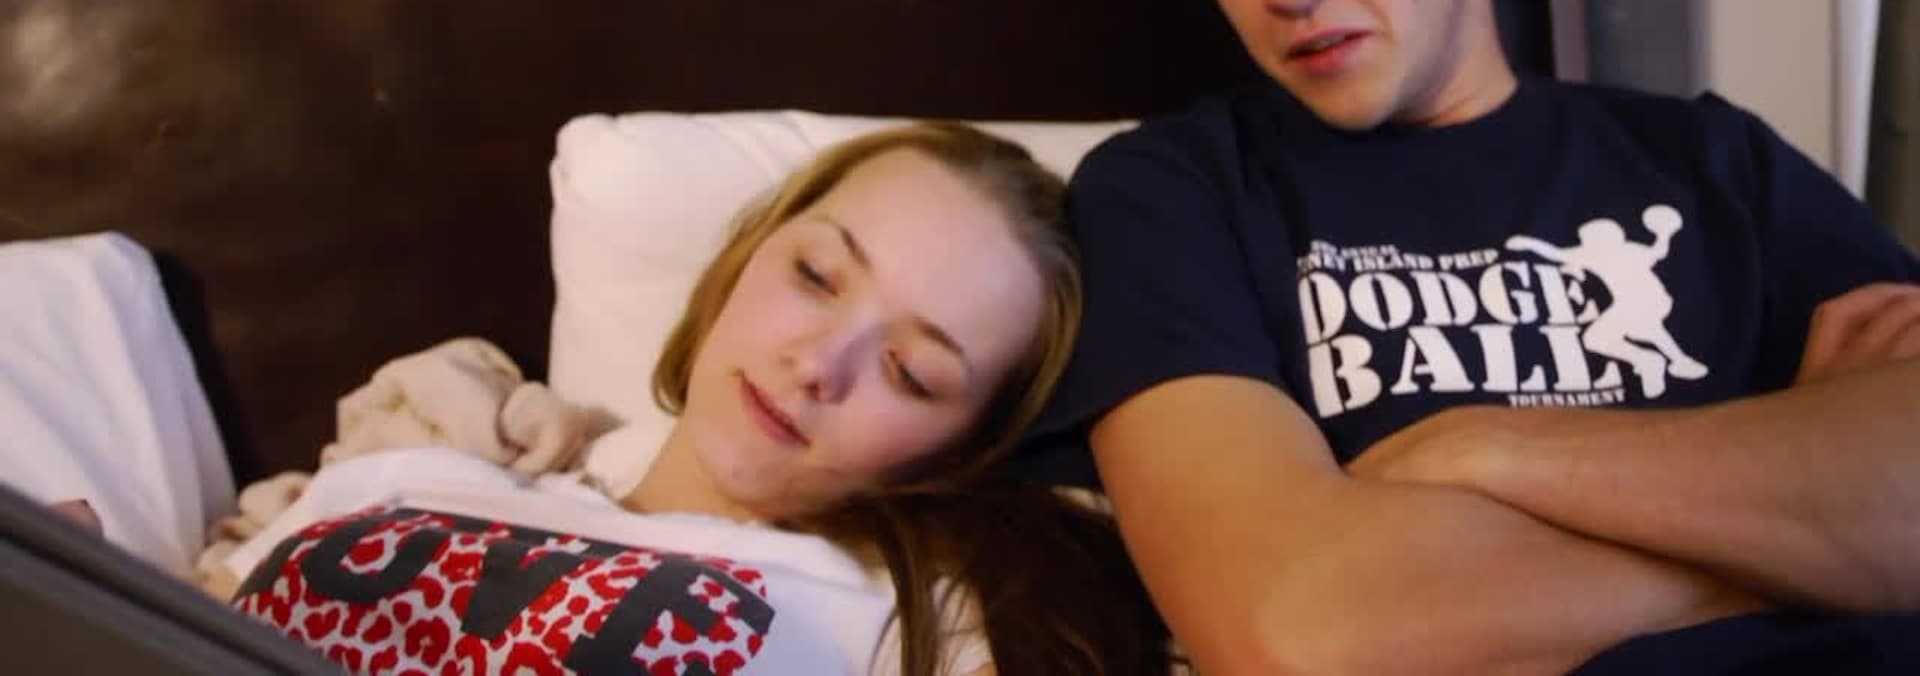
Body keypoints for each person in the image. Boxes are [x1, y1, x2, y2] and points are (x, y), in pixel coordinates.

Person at [1013, 0, 1920, 673]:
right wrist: (1811, 536)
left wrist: (1485, 448)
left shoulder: (1718, 160)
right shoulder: (1170, 191)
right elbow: (1303, 640)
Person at [224, 123, 1170, 675]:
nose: (818, 363)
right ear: (749, 251)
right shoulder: (418, 474)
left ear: (965, 448)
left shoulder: (917, 626)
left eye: (911, 373)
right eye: (815, 274)